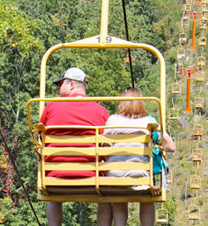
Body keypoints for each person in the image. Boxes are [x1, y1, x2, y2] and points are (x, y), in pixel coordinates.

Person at [39, 67, 112, 226]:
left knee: (52, 199)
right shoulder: (100, 111)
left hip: (55, 177)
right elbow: (107, 143)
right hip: (92, 178)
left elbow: (40, 135)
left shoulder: (51, 107)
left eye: (60, 85)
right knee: (105, 198)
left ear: (71, 85)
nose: (58, 90)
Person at [103, 88, 175, 226]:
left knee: (119, 194)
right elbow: (171, 146)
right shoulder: (149, 122)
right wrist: (157, 146)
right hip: (141, 177)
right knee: (147, 197)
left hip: (114, 177)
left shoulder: (112, 120)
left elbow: (105, 148)